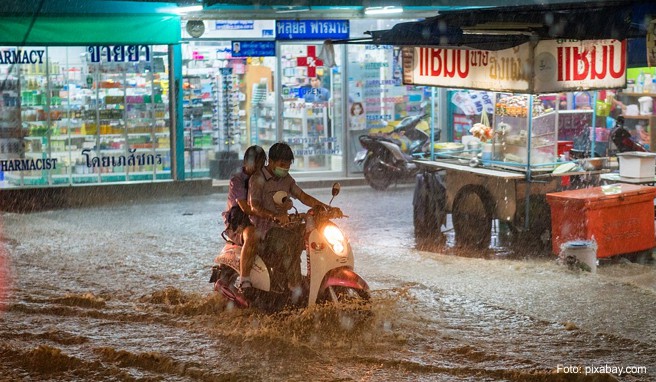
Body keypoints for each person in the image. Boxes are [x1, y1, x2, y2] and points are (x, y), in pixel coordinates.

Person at [237, 142, 336, 300]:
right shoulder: (257, 179)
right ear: (272, 161)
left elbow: (302, 196)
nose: (285, 169)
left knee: (315, 235)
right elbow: (254, 207)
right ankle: (294, 286)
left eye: (288, 166)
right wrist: (274, 216)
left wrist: (326, 209)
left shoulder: (287, 179)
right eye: (282, 165)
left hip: (285, 226)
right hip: (265, 232)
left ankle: (315, 278)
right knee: (290, 242)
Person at [221, 145, 267, 291]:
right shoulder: (238, 180)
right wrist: (271, 214)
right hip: (239, 224)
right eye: (255, 163)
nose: (257, 168)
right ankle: (244, 280)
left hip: (260, 221)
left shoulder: (264, 179)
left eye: (261, 164)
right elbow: (246, 208)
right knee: (252, 235)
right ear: (245, 162)